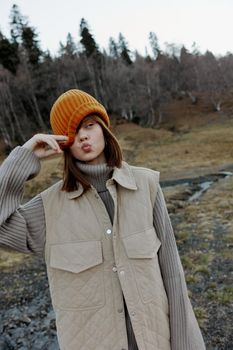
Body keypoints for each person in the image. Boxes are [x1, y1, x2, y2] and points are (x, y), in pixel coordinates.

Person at [0, 89, 206, 350]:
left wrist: (184, 344)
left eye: (90, 125)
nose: (84, 135)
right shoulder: (49, 208)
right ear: (63, 142)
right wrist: (22, 158)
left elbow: (173, 276)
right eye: (74, 131)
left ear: (104, 129)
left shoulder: (146, 186)